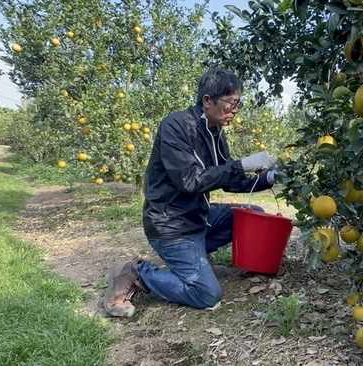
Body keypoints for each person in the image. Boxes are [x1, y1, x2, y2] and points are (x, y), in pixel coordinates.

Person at [103, 68, 279, 317]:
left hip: (198, 217)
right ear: (207, 101)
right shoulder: (175, 127)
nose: (235, 111)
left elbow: (228, 180)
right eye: (231, 103)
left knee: (252, 214)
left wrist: (269, 178)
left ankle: (198, 263)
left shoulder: (215, 132)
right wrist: (240, 165)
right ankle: (135, 271)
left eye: (238, 103)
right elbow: (190, 181)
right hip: (171, 226)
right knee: (207, 294)